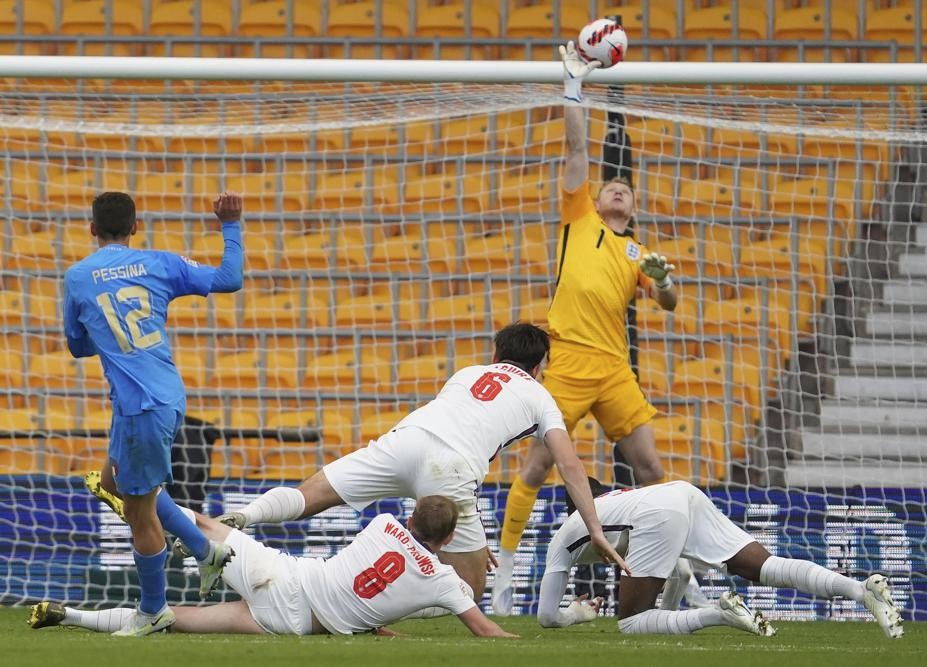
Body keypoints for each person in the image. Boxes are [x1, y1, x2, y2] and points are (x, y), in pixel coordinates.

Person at [212, 323, 631, 602]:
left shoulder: (467, 373)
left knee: (308, 496)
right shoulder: (541, 397)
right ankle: (384, 606)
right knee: (466, 591)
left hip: (405, 440)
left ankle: (244, 516)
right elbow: (570, 465)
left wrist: (473, 532)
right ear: (540, 366)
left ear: (495, 353)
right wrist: (595, 529)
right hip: (450, 468)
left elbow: (464, 423)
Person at [493, 41, 679, 614]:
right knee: (539, 463)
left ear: (633, 205)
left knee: (650, 468)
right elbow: (577, 147)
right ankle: (503, 576)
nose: (618, 188)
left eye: (627, 188)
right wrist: (573, 86)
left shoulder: (637, 254)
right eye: (610, 186)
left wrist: (664, 279)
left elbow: (670, 304)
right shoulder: (579, 220)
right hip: (569, 360)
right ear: (597, 199)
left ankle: (669, 570)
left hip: (614, 370)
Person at [62, 190, 245, 636]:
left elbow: (76, 345)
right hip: (156, 397)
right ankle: (205, 550)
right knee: (111, 483)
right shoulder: (159, 263)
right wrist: (231, 224)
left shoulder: (78, 276)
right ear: (135, 227)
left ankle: (153, 610)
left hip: (141, 406)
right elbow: (229, 277)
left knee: (140, 516)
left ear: (92, 229)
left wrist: (103, 334)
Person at [29, 496, 517, 638]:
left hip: (287, 574)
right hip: (294, 622)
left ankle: (136, 497)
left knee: (204, 525)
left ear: (411, 517)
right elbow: (483, 629)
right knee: (170, 620)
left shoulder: (385, 523)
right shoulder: (445, 581)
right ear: (450, 538)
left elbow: (357, 583)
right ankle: (71, 616)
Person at [535, 479, 904, 639]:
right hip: (679, 493)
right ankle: (862, 590)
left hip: (658, 512)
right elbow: (679, 572)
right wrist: (665, 613)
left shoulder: (566, 532)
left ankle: (720, 614)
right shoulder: (620, 500)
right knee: (765, 567)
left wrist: (575, 615)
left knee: (631, 623)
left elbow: (546, 616)